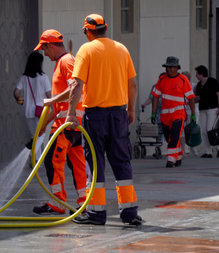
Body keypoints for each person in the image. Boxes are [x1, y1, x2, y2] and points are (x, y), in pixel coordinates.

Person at [65, 14, 142, 226]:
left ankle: (97, 214)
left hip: (96, 116)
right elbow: (133, 84)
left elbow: (77, 84)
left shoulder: (86, 50)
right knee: (122, 162)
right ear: (105, 28)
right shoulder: (121, 49)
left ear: (87, 31)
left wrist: (72, 114)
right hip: (118, 115)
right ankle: (130, 213)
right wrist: (131, 109)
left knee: (95, 164)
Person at [31, 29, 87, 215]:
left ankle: (58, 203)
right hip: (73, 124)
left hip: (67, 126)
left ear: (51, 45)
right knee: (77, 165)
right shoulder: (63, 62)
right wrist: (45, 125)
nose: (44, 54)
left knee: (52, 163)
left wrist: (52, 101)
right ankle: (83, 203)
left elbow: (76, 87)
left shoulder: (66, 61)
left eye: (44, 49)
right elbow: (62, 103)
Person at [152, 57, 195, 168]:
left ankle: (170, 160)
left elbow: (190, 98)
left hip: (178, 114)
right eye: (167, 67)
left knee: (175, 137)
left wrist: (193, 114)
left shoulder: (183, 80)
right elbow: (155, 97)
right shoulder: (162, 80)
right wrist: (153, 113)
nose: (169, 69)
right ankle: (179, 154)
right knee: (169, 138)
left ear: (176, 68)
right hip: (165, 116)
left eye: (171, 67)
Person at [14, 51, 51, 159]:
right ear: (39, 63)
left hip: (27, 110)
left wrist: (19, 100)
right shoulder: (43, 77)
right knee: (41, 134)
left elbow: (16, 92)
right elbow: (49, 95)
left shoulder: (24, 77)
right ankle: (32, 152)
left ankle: (36, 161)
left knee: (34, 134)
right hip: (40, 111)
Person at [194, 65, 219, 158]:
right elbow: (197, 99)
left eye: (197, 73)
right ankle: (208, 152)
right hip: (203, 109)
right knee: (203, 130)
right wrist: (196, 99)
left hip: (213, 109)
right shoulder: (198, 85)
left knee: (209, 129)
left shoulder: (213, 82)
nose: (196, 75)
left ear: (201, 74)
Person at [141, 73, 165, 143]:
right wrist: (145, 104)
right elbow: (151, 98)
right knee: (158, 131)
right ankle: (158, 148)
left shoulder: (169, 86)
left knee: (167, 132)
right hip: (158, 112)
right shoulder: (155, 87)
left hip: (167, 112)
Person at [181, 71, 200, 156]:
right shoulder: (179, 86)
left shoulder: (194, 86)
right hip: (182, 110)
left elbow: (197, 98)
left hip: (192, 110)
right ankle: (183, 150)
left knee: (192, 130)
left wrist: (189, 102)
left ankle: (194, 149)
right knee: (182, 130)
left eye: (185, 77)